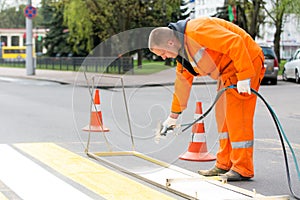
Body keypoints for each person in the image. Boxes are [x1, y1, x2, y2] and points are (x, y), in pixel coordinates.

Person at [148, 17, 265, 181]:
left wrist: (245, 75)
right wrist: (172, 117)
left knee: (239, 117)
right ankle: (224, 164)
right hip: (228, 71)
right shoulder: (183, 55)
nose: (164, 57)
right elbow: (181, 85)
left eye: (162, 53)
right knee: (223, 118)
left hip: (246, 61)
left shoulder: (197, 30)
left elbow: (235, 42)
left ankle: (242, 168)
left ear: (170, 43)